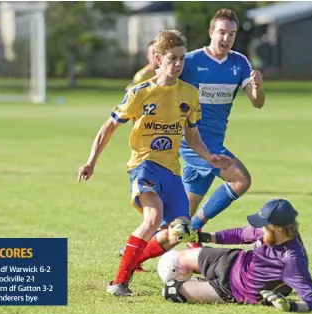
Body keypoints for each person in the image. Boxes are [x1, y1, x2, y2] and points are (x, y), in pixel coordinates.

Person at [78, 29, 234, 297]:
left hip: (171, 170)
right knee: (153, 217)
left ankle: (135, 261)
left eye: (182, 59)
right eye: (172, 58)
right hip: (144, 164)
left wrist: (209, 157)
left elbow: (193, 136)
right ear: (159, 59)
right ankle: (118, 284)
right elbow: (109, 127)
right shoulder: (141, 92)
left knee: (181, 231)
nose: (178, 64)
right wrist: (91, 161)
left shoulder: (189, 94)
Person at [178, 8, 265, 245]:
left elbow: (257, 103)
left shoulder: (239, 63)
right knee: (241, 180)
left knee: (180, 217)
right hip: (193, 144)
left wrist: (257, 86)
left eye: (232, 34)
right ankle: (194, 232)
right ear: (211, 32)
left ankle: (135, 252)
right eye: (222, 32)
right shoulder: (191, 62)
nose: (226, 39)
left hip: (214, 142)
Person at [163, 199, 312, 312]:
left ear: (280, 229)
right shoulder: (269, 231)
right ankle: (204, 281)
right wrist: (199, 237)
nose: (260, 229)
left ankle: (205, 283)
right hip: (231, 260)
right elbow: (240, 234)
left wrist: (291, 306)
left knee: (170, 291)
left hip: (232, 289)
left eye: (264, 226)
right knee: (178, 259)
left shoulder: (293, 260)